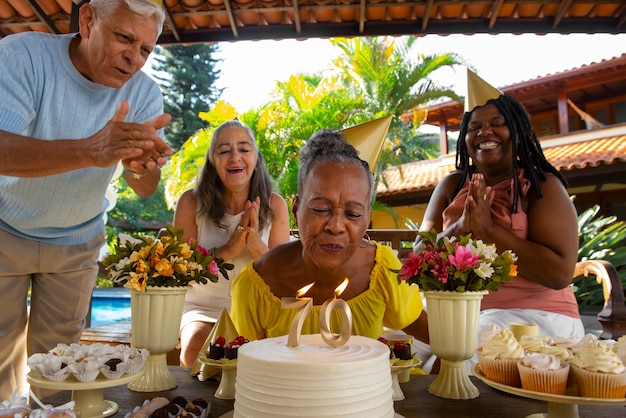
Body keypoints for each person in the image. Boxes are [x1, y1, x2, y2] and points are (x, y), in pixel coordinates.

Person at [0, 0, 172, 398]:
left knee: (58, 374)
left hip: (76, 242)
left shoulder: (144, 94)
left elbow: (145, 187)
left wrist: (139, 165)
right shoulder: (23, 56)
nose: (134, 58)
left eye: (146, 49)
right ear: (88, 19)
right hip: (5, 228)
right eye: (124, 38)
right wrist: (91, 149)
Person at [417, 69, 584, 345]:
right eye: (474, 127)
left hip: (536, 317)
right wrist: (461, 228)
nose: (485, 132)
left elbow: (559, 273)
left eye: (498, 122)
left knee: (462, 351)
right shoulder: (450, 186)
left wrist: (489, 231)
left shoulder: (542, 185)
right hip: (459, 313)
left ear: (517, 130)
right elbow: (419, 257)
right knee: (393, 346)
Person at [230, 128, 424, 342]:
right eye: (321, 209)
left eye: (353, 214)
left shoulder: (384, 271)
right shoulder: (258, 283)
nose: (336, 226)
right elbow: (237, 362)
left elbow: (439, 339)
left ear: (367, 219)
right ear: (296, 210)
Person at [173, 119, 290, 366]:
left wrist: (256, 244)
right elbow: (180, 276)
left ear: (256, 160)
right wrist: (228, 250)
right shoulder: (191, 203)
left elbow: (284, 281)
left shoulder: (275, 205)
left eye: (244, 149)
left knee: (273, 360)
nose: (235, 156)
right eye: (224, 151)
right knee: (195, 353)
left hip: (257, 310)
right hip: (202, 308)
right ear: (213, 163)